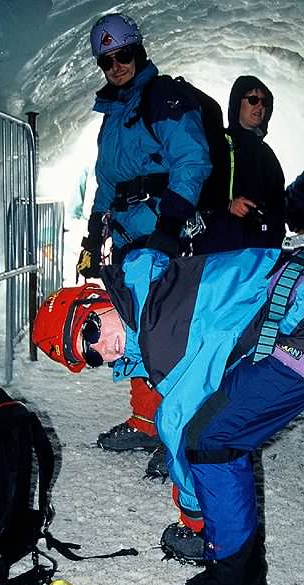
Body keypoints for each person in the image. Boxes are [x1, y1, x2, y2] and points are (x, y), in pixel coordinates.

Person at [34, 230, 304, 585]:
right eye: (91, 356)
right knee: (211, 428)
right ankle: (218, 540)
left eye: (91, 331)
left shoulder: (161, 322)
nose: (102, 349)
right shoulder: (150, 300)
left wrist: (195, 518)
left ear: (98, 300)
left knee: (212, 440)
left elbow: (179, 423)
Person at [76, 13, 211, 455]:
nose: (116, 66)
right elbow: (107, 181)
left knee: (172, 334)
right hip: (128, 240)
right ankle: (146, 420)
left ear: (139, 51)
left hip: (161, 236)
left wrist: (170, 227)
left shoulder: (163, 97)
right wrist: (93, 234)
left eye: (124, 55)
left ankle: (184, 431)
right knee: (134, 328)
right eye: (106, 61)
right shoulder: (114, 113)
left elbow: (192, 161)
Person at [194, 75, 285, 254]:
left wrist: (275, 244)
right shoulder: (217, 141)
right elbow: (193, 183)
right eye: (253, 100)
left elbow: (278, 204)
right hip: (218, 246)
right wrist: (227, 205)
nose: (260, 106)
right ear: (237, 103)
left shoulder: (268, 154)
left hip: (261, 249)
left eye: (264, 102)